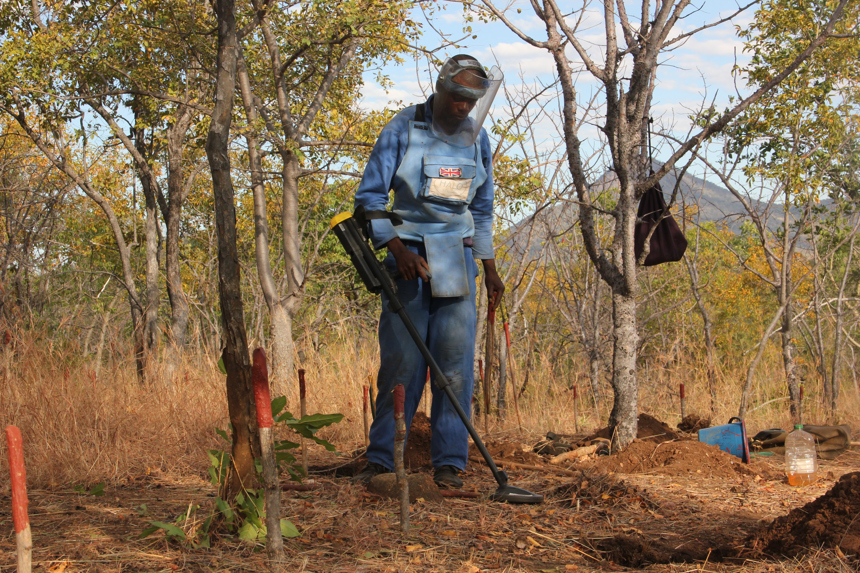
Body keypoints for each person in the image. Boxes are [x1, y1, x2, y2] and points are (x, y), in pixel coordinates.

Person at [351, 55, 504, 488]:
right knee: (403, 363)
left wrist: (490, 269)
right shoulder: (403, 128)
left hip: (457, 258)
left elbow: (483, 209)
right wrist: (396, 250)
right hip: (408, 259)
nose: (462, 107)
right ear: (440, 89)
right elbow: (369, 200)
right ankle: (382, 460)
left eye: (471, 101)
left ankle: (450, 464)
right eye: (456, 97)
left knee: (454, 367)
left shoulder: (478, 139)